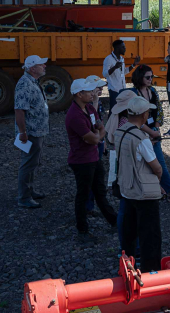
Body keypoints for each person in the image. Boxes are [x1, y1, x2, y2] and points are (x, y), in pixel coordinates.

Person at [115, 96, 163, 272]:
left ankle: (128, 266)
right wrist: (158, 181)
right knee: (150, 235)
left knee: (129, 232)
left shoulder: (119, 132)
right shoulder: (142, 139)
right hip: (144, 192)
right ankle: (151, 270)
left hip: (126, 187)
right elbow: (156, 167)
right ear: (144, 115)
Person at [65, 78, 117, 240]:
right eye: (88, 91)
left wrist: (97, 135)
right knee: (83, 195)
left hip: (93, 158)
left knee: (100, 192)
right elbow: (95, 138)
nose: (92, 93)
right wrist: (97, 136)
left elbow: (101, 129)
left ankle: (114, 222)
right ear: (79, 94)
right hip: (82, 162)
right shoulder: (75, 116)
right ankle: (82, 231)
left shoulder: (89, 108)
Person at [130, 65, 170, 203]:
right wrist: (151, 132)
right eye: (147, 77)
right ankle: (161, 191)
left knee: (160, 164)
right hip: (140, 135)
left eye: (152, 76)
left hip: (152, 133)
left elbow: (159, 112)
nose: (150, 79)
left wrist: (155, 129)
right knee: (145, 166)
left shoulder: (153, 91)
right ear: (140, 77)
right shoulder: (133, 94)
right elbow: (133, 118)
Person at [15, 55, 49, 209]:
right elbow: (19, 110)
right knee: (28, 164)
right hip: (31, 132)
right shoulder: (25, 84)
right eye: (41, 65)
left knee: (33, 162)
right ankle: (24, 198)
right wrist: (22, 132)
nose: (44, 66)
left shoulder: (32, 81)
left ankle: (29, 191)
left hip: (37, 131)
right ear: (32, 68)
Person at [105, 90, 136, 251]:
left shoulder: (116, 119)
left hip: (119, 164)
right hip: (128, 167)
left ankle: (124, 248)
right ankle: (130, 248)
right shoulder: (126, 123)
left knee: (124, 207)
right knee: (129, 209)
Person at [84, 75, 108, 215]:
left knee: (97, 175)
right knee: (91, 176)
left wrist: (103, 142)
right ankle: (88, 206)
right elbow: (91, 122)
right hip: (92, 144)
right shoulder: (87, 105)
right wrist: (95, 101)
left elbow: (100, 122)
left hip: (98, 141)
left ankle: (92, 204)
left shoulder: (98, 103)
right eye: (98, 88)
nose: (101, 90)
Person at [102, 40, 139, 112]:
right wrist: (114, 67)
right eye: (123, 47)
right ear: (117, 48)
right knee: (114, 111)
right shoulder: (108, 59)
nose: (125, 49)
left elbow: (123, 72)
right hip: (114, 90)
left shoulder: (121, 59)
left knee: (121, 111)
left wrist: (134, 64)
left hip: (122, 90)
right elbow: (105, 74)